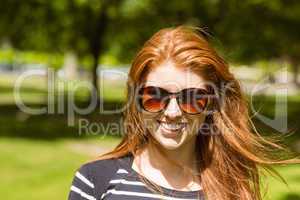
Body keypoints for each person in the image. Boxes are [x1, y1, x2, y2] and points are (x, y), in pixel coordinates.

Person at [68, 26, 299, 200]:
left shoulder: (234, 187)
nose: (172, 112)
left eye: (191, 98)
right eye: (155, 96)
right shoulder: (95, 180)